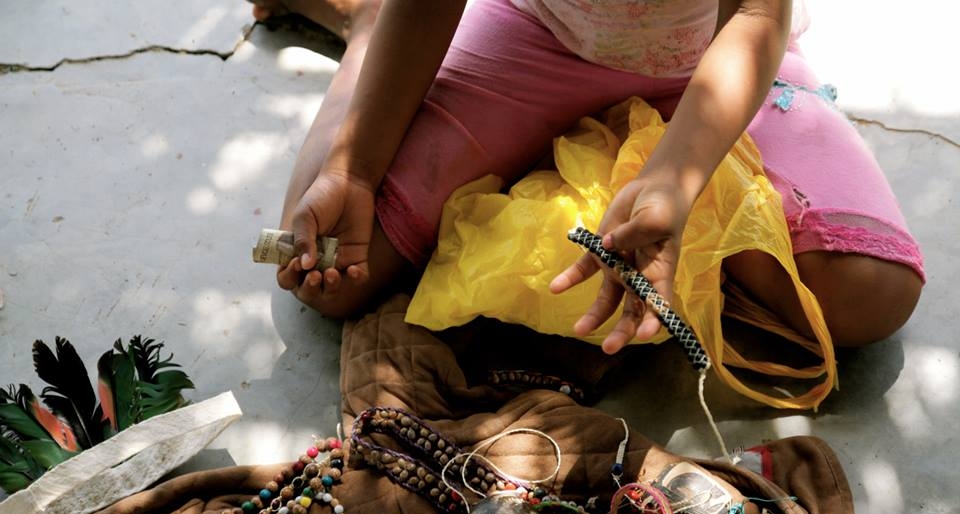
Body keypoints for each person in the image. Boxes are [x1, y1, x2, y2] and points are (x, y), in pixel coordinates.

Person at [254, 0, 924, 355]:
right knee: (325, 260)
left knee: (870, 292)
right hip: (534, 32)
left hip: (717, 55)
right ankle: (368, 18)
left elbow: (756, 15)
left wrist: (675, 177)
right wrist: (357, 167)